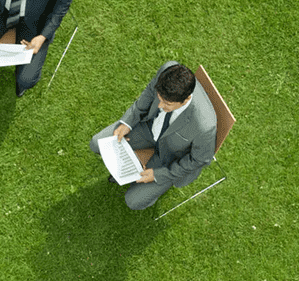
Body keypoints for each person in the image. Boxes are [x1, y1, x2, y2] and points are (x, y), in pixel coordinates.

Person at [89, 61, 217, 210]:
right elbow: (149, 93)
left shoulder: (205, 126)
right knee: (96, 143)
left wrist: (159, 174)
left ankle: (151, 180)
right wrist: (127, 123)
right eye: (160, 99)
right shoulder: (167, 71)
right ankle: (143, 155)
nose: (159, 106)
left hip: (170, 157)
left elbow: (198, 160)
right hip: (148, 129)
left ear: (186, 100)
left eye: (167, 103)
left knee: (133, 201)